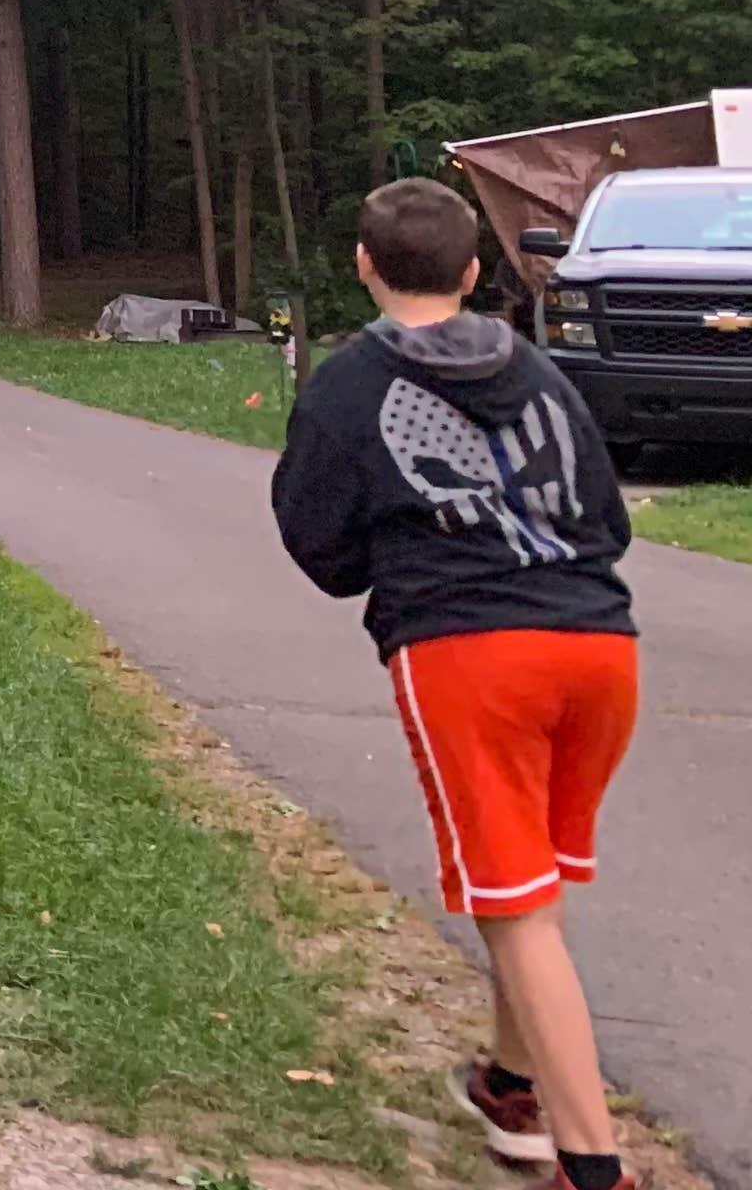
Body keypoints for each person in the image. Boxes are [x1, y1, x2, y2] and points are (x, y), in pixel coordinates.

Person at [272, 175, 642, 1188]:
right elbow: (606, 514)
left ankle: (592, 1164)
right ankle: (512, 1089)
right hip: (602, 647)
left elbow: (317, 536)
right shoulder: (539, 369)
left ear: (363, 263)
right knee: (539, 880)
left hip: (472, 654)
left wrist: (386, 565)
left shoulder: (349, 385)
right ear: (475, 270)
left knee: (514, 905)